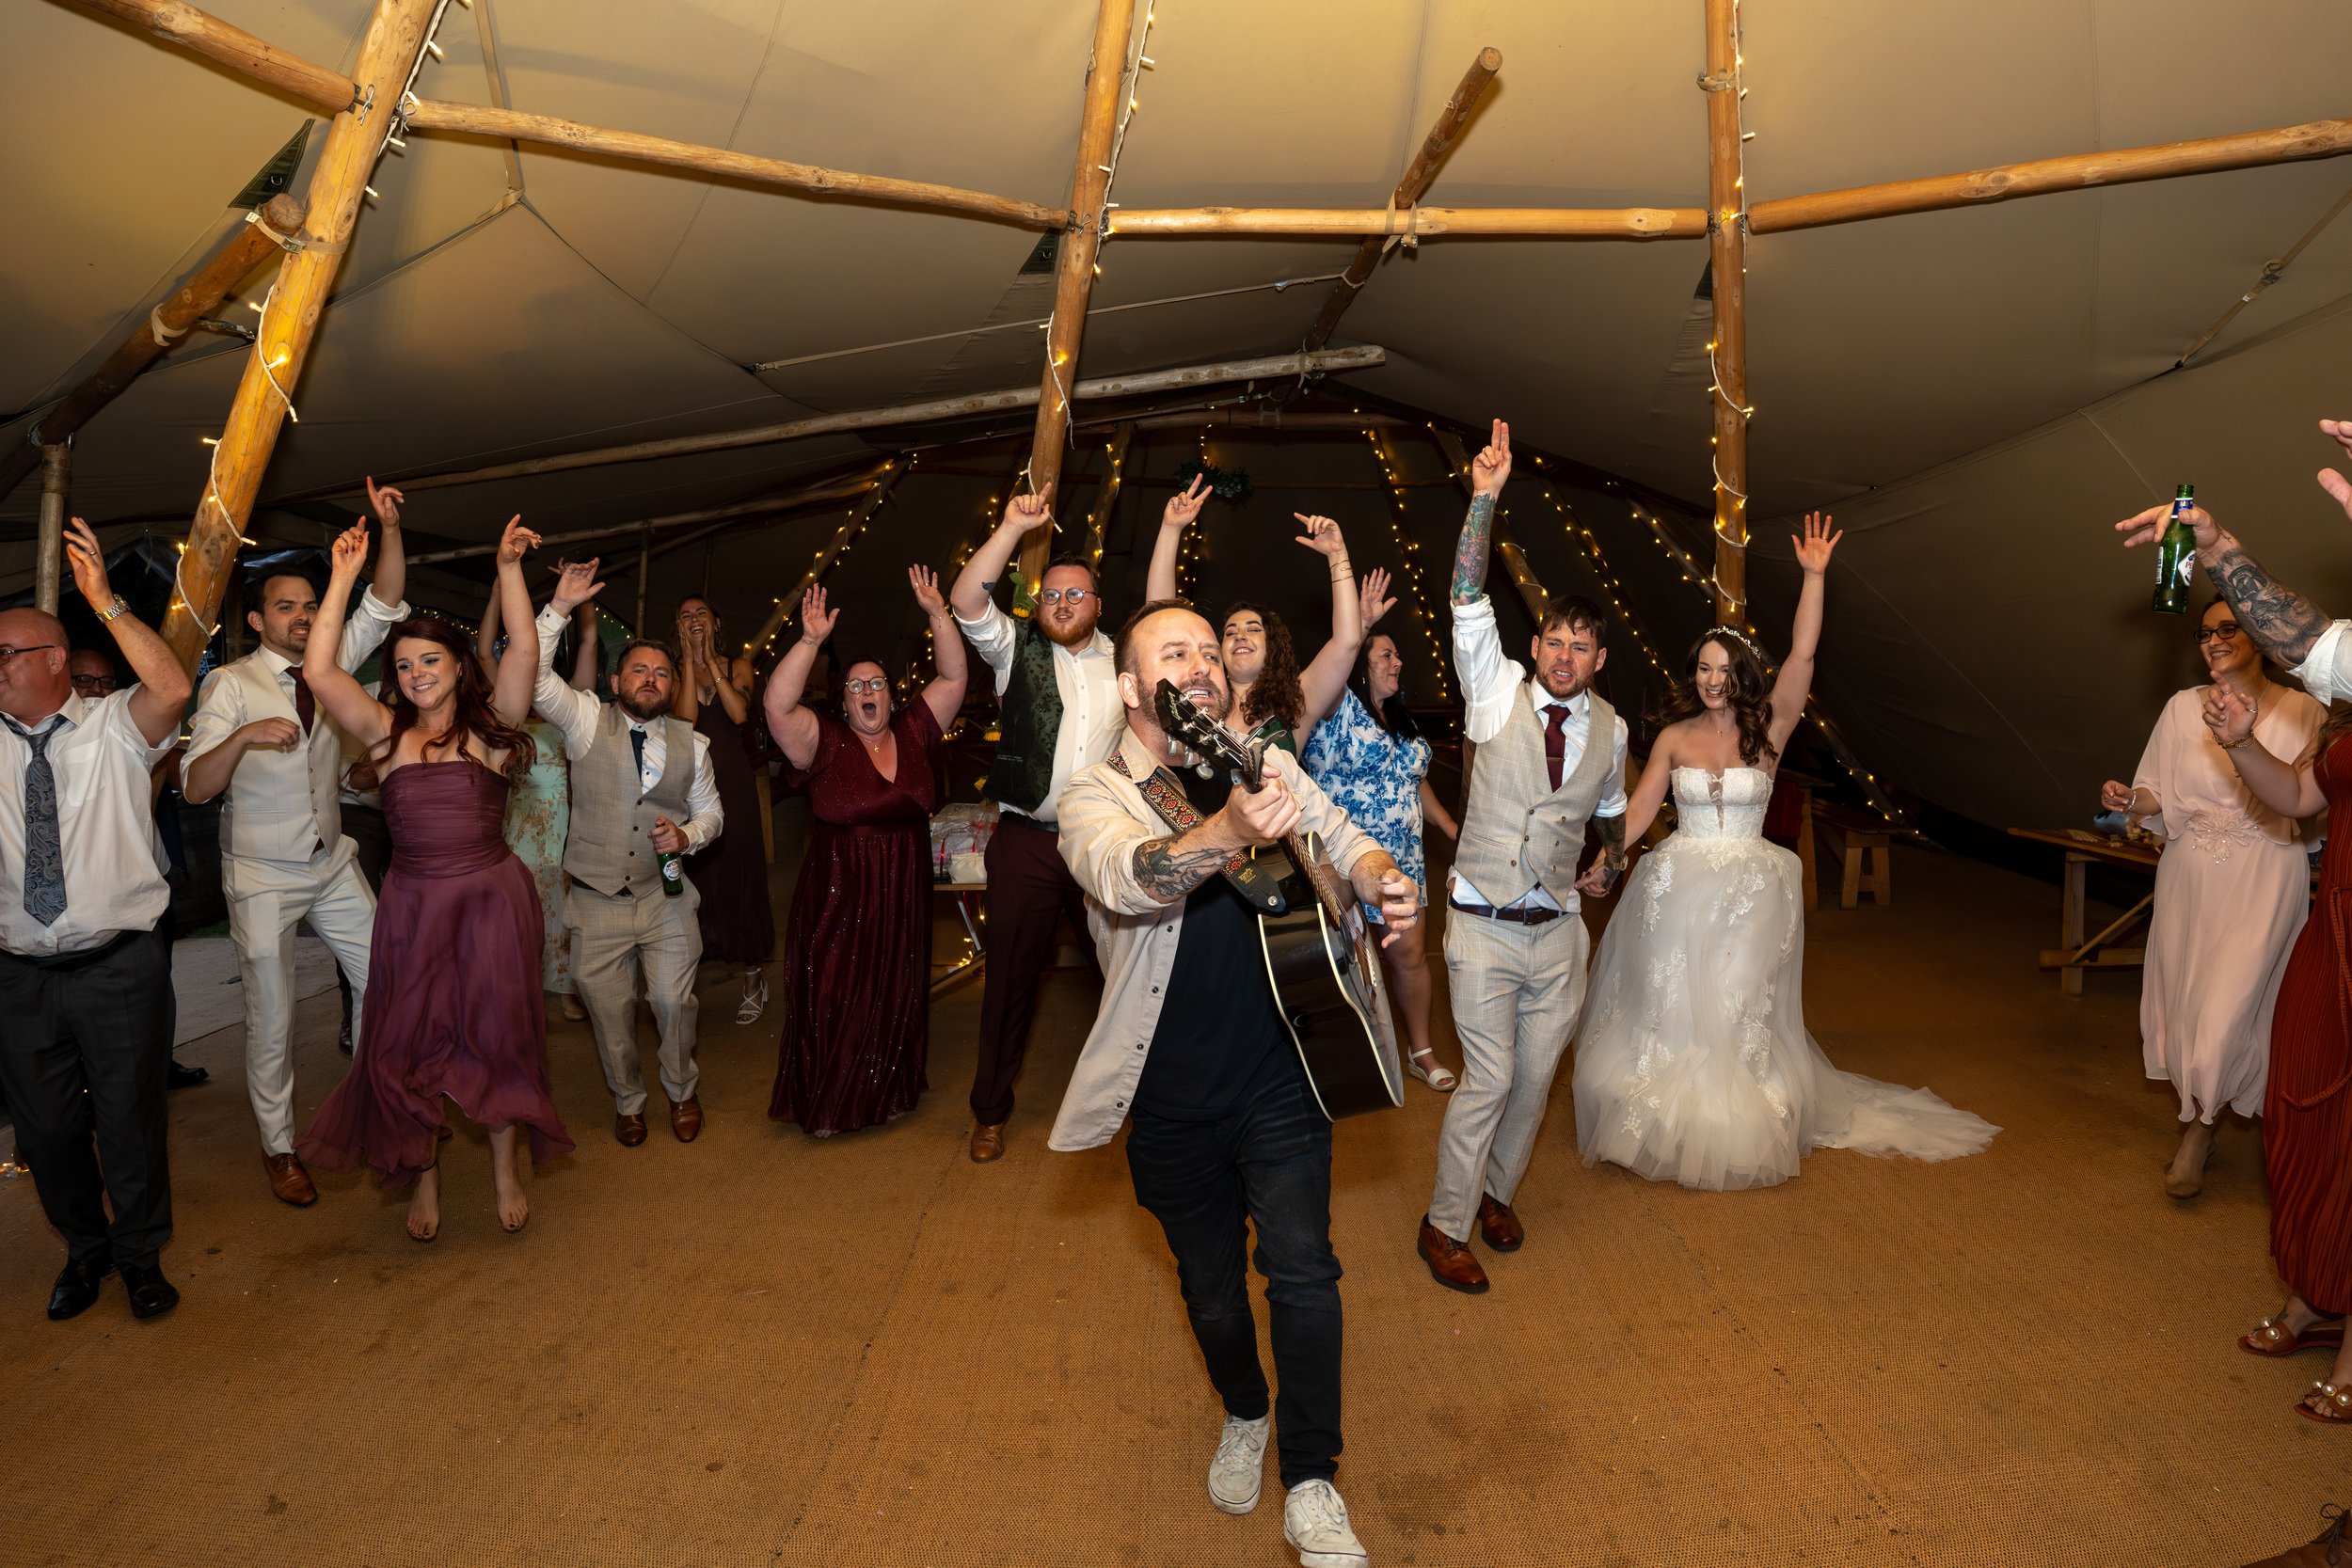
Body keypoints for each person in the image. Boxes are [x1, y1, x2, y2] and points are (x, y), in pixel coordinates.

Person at [1052, 597, 1417, 1568]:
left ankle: (1311, 1476)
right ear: (1132, 686)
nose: (1204, 663)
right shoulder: (1095, 792)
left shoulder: (1265, 758)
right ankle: (1245, 1411)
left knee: (1303, 1271)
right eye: (1177, 652)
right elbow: (1127, 875)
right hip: (1169, 1092)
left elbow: (1341, 833)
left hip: (1283, 1070)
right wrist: (1223, 829)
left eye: (1211, 650)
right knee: (1210, 1291)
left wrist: (1380, 872)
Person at [1573, 515, 1998, 1191]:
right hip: (1678, 879)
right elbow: (1645, 806)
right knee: (1673, 1002)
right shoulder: (1675, 736)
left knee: (1738, 1003)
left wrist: (1814, 576)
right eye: (1703, 669)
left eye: (1724, 669)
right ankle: (1663, 1123)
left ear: (1743, 674)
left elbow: (1801, 656)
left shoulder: (1769, 727)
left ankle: (1731, 1124)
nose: (1713, 680)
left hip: (1750, 888)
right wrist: (1611, 859)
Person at [2118, 419, 2352, 1423]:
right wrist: (2242, 741)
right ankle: (2315, 1289)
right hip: (2335, 920)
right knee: (2302, 1108)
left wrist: (2217, 545)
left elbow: (2293, 639)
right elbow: (2300, 796)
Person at [294, 516, 572, 1239]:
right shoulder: (386, 735)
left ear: (457, 666)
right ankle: (425, 1175)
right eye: (407, 665)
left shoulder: (493, 727)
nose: (418, 674)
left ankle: (507, 1164)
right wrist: (344, 579)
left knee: (496, 1037)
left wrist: (508, 568)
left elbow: (524, 652)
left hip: (490, 901)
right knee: (408, 1043)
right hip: (412, 905)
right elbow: (321, 672)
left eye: (431, 662)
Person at [1413, 420, 1629, 1296]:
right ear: (1535, 645)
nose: (1565, 655)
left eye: (1582, 645)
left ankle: (1499, 1193)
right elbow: (1467, 593)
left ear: (1599, 658)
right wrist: (1485, 500)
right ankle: (1444, 1222)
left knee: (1536, 1080)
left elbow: (1611, 818)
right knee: (1490, 1077)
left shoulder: (1612, 729)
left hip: (1558, 934)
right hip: (1483, 924)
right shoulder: (1494, 685)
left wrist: (1609, 864)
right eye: (1555, 640)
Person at [181, 478, 408, 1208]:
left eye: (310, 606)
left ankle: (377, 1101)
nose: (304, 617)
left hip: (332, 861)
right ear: (257, 618)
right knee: (272, 1017)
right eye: (288, 607)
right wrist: (244, 736)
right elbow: (194, 786)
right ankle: (280, 1146)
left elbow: (384, 600)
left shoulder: (331, 662)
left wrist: (389, 531)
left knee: (388, 977)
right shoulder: (232, 687)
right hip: (262, 875)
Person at [0, 517, 193, 1321]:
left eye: (5, 655)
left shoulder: (115, 725)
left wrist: (105, 604)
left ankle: (141, 1256)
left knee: (129, 1120)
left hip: (118, 963)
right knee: (44, 1135)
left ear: (50, 658)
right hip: (19, 972)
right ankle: (86, 1251)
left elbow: (175, 688)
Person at [2102, 594, 2323, 1197]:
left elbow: (2311, 800)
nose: (2214, 640)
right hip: (2189, 872)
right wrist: (2131, 800)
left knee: (2227, 1011)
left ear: (2261, 635)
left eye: (2229, 628)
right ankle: (2202, 1113)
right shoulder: (2180, 709)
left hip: (2265, 872)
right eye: (2204, 632)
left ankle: (2199, 1133)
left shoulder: (2308, 711)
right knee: (2188, 1004)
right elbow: (2156, 791)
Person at [949, 484, 1123, 1162]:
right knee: (1009, 981)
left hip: (1103, 843)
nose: (1061, 603)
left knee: (1125, 975)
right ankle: (990, 1110)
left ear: (1097, 604)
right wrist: (1012, 526)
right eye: (1052, 594)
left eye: (1075, 594)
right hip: (1025, 841)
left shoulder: (1124, 659)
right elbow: (966, 600)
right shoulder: (1013, 649)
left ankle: (1144, 1095)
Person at [761, 572, 965, 1134]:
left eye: (876, 684)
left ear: (892, 694)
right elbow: (776, 706)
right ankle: (830, 1099)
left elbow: (953, 674)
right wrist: (809, 641)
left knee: (895, 986)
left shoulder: (917, 730)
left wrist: (937, 612)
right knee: (836, 988)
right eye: (856, 686)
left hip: (903, 884)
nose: (868, 692)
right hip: (839, 887)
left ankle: (888, 1085)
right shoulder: (821, 739)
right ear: (843, 700)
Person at [529, 558, 723, 1148]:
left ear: (671, 685)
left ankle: (682, 1089)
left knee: (672, 1001)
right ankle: (629, 1101)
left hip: (664, 897)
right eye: (638, 670)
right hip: (597, 900)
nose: (650, 679)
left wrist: (688, 836)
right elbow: (533, 676)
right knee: (611, 1020)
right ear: (616, 683)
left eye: (662, 673)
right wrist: (559, 607)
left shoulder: (695, 744)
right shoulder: (586, 719)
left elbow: (712, 813)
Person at [1302, 577, 1462, 1094]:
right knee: (1344, 963)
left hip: (1403, 863)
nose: (1397, 663)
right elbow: (1334, 662)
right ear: (1360, 663)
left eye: (1398, 657)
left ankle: (1421, 1051)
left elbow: (1414, 785)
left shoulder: (1403, 722)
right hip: (1343, 858)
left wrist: (1451, 827)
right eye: (1386, 655)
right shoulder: (1335, 709)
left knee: (1409, 958)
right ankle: (1344, 1058)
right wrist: (1362, 625)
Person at [1146, 484, 1364, 753]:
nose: (1240, 635)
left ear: (1272, 646)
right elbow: (1158, 623)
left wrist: (1337, 554)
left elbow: (1348, 641)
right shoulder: (1200, 695)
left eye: (1253, 629)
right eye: (1230, 632)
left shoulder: (1297, 701)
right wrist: (1170, 529)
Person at [76, 644, 207, 1090]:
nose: (96, 690)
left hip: (149, 876)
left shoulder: (129, 724)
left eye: (106, 682)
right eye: (84, 681)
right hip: (86, 895)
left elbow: (180, 782)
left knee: (153, 983)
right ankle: (91, 1082)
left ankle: (157, 1065)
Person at [481, 579, 600, 1021]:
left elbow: (588, 639)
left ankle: (566, 989)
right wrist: (497, 591)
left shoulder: (567, 704)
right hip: (517, 822)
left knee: (564, 907)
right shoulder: (505, 710)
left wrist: (582, 599)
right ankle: (523, 992)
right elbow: (484, 652)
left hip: (564, 821)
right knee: (521, 908)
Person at [675, 594, 774, 1024]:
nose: (694, 619)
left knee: (741, 872)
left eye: (701, 613)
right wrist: (686, 660)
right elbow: (684, 723)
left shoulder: (740, 666)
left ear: (716, 622)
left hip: (733, 783)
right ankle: (692, 968)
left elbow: (737, 714)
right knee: (699, 876)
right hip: (692, 786)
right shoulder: (675, 671)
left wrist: (712, 662)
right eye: (685, 615)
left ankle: (754, 977)